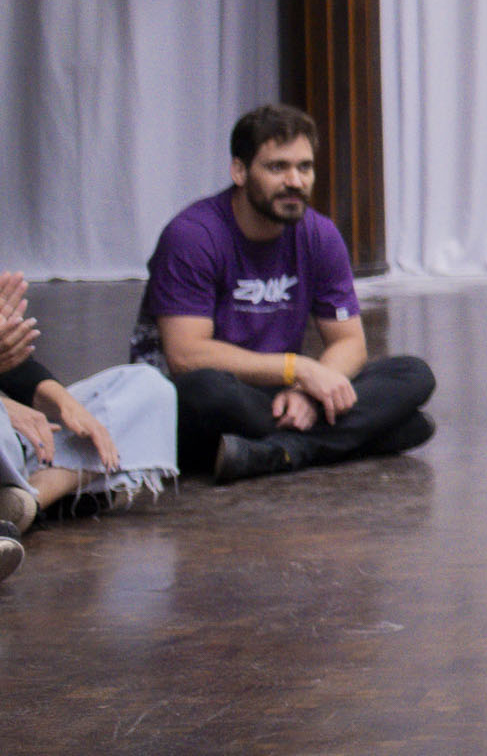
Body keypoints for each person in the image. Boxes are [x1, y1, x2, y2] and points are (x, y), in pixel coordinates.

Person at [138, 105, 438, 485]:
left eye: (304, 167)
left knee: (412, 374)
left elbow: (350, 343)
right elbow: (186, 356)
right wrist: (301, 370)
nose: (295, 181)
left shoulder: (320, 236)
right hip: (205, 401)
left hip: (276, 397)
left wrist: (305, 393)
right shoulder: (193, 236)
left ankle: (276, 452)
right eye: (277, 167)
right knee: (208, 390)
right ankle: (344, 439)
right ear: (239, 171)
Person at [0, 271, 177, 580]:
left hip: (14, 446)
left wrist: (67, 404)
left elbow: (13, 368)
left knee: (148, 387)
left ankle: (25, 502)